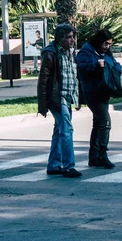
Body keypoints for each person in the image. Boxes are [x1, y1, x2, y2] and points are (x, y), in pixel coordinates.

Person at [37, 23, 82, 178]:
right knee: (66, 130)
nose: (72, 40)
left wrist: (78, 98)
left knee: (59, 130)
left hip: (68, 96)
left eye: (73, 37)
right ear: (59, 38)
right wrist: (42, 105)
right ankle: (69, 166)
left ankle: (54, 164)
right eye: (68, 37)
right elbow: (43, 81)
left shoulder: (71, 52)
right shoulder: (51, 54)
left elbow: (74, 76)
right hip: (57, 97)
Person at [77, 29, 119, 169]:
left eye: (110, 44)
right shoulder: (86, 51)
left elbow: (115, 64)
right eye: (106, 44)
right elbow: (80, 69)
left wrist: (113, 67)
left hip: (104, 90)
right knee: (105, 122)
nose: (108, 47)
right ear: (99, 41)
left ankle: (94, 156)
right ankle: (102, 154)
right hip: (92, 91)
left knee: (98, 124)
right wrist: (96, 65)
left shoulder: (106, 53)